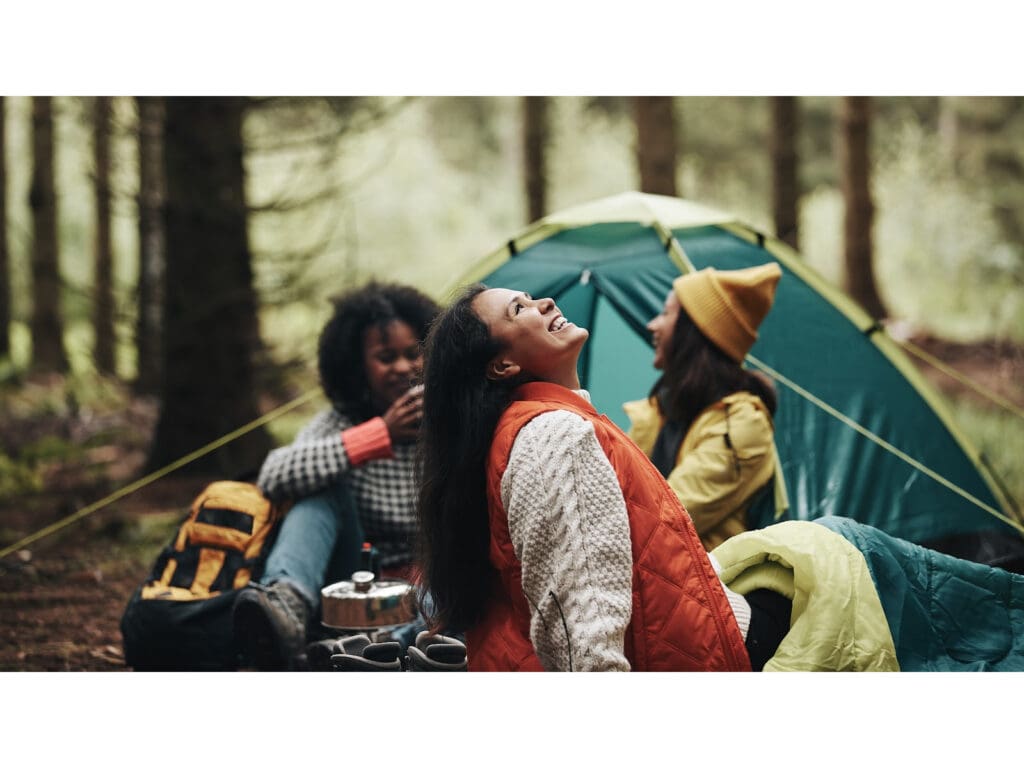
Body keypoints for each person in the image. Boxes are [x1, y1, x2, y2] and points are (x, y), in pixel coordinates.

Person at [416, 283, 781, 671]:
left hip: (682, 610)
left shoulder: (530, 429)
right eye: (518, 309)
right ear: (503, 365)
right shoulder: (555, 436)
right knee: (835, 551)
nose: (546, 302)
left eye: (667, 313)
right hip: (675, 637)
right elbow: (586, 633)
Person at [232, 281, 441, 670]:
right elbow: (275, 475)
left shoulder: (451, 422)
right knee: (318, 489)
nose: (402, 367)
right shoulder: (340, 422)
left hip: (428, 586)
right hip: (349, 584)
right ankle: (285, 607)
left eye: (413, 354)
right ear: (357, 366)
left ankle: (371, 650)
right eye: (385, 357)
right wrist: (380, 434)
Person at [624, 263, 787, 551]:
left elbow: (664, 517)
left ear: (694, 330)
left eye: (665, 313)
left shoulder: (743, 426)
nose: (652, 325)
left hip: (710, 590)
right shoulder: (659, 413)